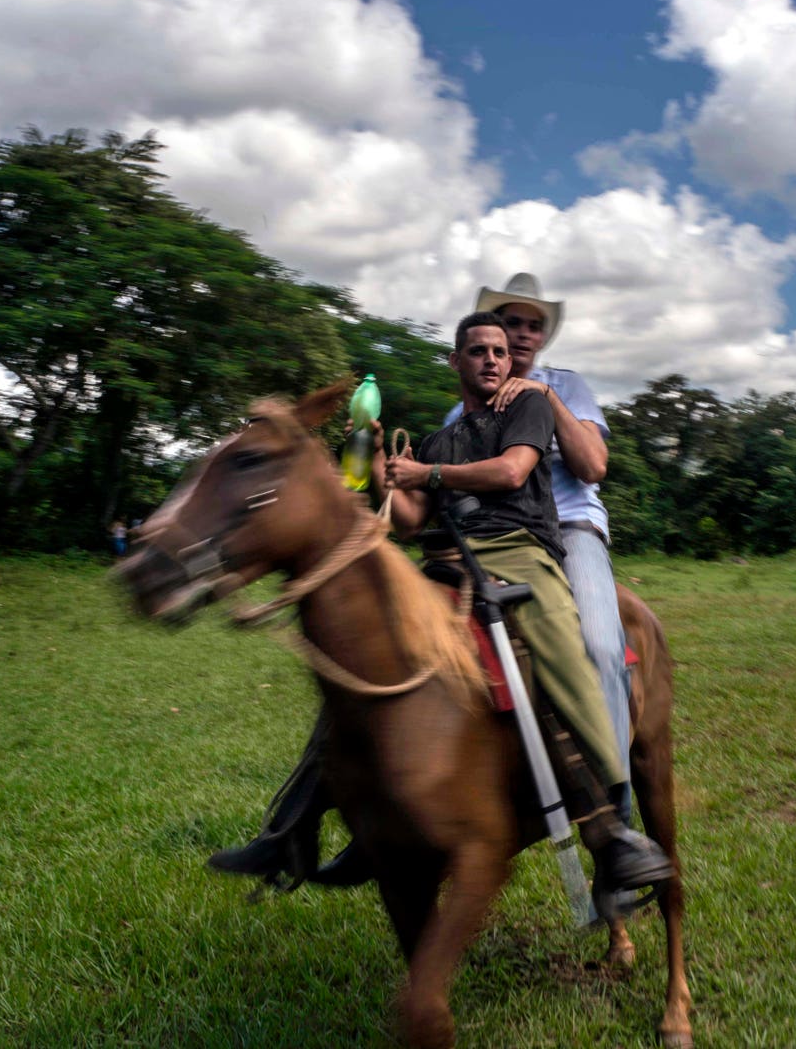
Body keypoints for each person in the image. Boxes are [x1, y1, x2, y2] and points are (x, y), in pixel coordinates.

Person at [208, 313, 672, 893]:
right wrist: (380, 467)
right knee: (367, 662)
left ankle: (610, 828)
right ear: (456, 362)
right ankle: (293, 827)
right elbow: (407, 521)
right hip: (446, 563)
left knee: (560, 650)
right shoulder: (438, 438)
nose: (492, 361)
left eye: (500, 352)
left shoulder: (526, 408)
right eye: (477, 351)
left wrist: (425, 473)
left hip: (520, 551)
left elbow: (511, 471)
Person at [447, 272, 636, 820]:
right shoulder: (462, 411)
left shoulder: (567, 385)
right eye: (512, 324)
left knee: (601, 648)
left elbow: (594, 466)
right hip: (491, 538)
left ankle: (615, 815)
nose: (524, 336)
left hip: (571, 530)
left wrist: (545, 397)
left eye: (535, 327)